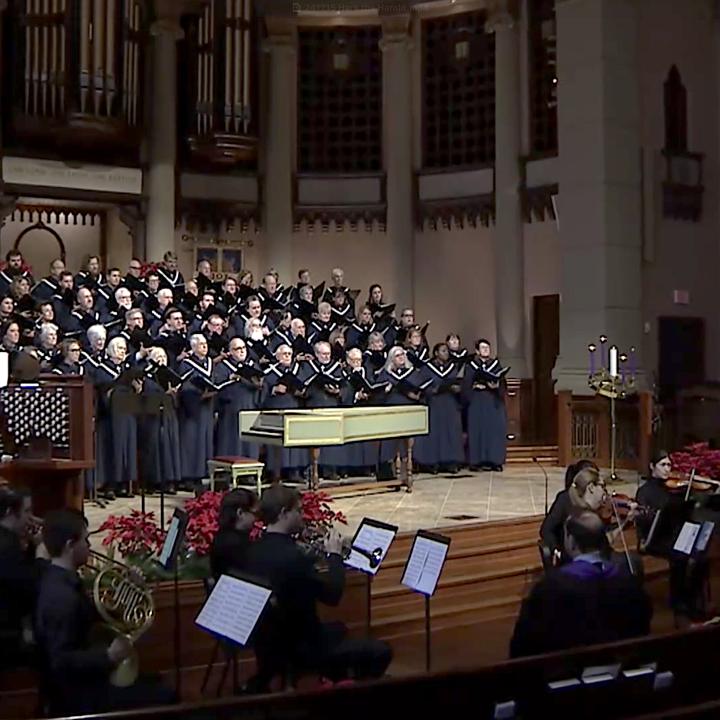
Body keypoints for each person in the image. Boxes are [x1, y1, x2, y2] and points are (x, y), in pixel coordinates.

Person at [244, 485, 392, 687]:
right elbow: (333, 596)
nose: (302, 516)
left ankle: (334, 679)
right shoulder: (295, 558)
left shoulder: (252, 550)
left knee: (339, 628)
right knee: (382, 651)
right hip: (301, 646)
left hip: (269, 644)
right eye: (298, 510)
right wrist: (335, 556)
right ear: (284, 513)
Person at [34, 509, 174, 715]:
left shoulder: (62, 579)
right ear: (70, 546)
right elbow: (60, 661)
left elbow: (94, 620)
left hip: (85, 679)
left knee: (157, 681)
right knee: (165, 696)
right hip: (77, 694)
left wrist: (134, 589)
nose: (89, 546)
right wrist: (108, 656)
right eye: (85, 540)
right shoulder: (61, 598)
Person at [510, 511, 652, 658]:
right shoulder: (629, 582)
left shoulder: (550, 588)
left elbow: (523, 645)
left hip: (565, 669)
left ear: (571, 542)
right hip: (620, 668)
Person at [636, 450, 711, 622]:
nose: (667, 469)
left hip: (675, 535)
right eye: (663, 465)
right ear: (652, 467)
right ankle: (679, 602)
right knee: (680, 556)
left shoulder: (674, 489)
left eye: (669, 465)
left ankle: (693, 599)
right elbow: (644, 521)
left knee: (700, 556)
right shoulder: (645, 491)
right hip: (655, 537)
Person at [0, 486, 44, 669]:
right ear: (10, 512)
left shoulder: (9, 540)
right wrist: (41, 552)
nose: (32, 518)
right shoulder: (7, 546)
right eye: (27, 511)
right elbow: (30, 588)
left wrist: (32, 547)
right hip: (7, 637)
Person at [413, 342, 463, 474]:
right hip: (434, 403)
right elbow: (422, 385)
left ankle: (450, 462)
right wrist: (431, 390)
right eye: (443, 351)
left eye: (447, 351)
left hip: (449, 402)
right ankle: (432, 463)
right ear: (436, 353)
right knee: (435, 433)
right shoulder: (427, 368)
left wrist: (457, 388)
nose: (446, 353)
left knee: (450, 432)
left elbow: (457, 382)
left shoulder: (452, 367)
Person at [539, 459, 599, 563]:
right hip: (574, 557)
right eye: (595, 483)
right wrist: (557, 551)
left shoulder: (597, 501)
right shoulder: (565, 498)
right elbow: (546, 529)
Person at [462, 339, 507, 472]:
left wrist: (496, 385)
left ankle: (495, 461)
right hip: (477, 401)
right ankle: (476, 461)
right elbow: (466, 384)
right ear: (477, 351)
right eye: (483, 348)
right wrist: (474, 386)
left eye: (487, 347)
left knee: (494, 431)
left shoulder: (496, 364)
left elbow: (502, 382)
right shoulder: (471, 366)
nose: (486, 350)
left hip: (492, 400)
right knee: (477, 430)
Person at [210, 488, 258, 580]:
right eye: (254, 513)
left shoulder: (221, 536)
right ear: (240, 513)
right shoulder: (239, 546)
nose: (255, 519)